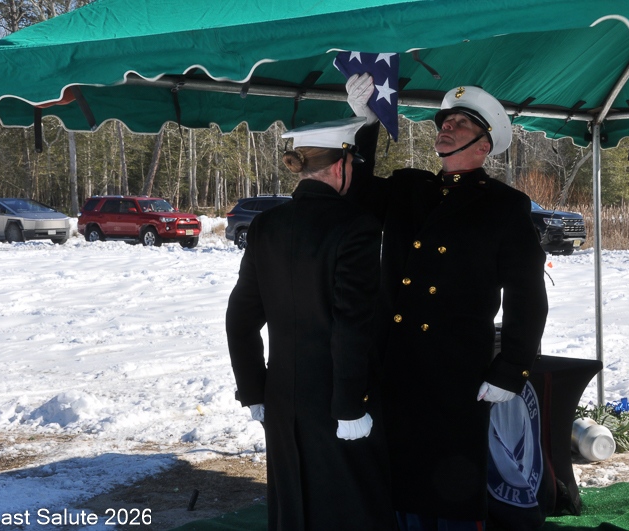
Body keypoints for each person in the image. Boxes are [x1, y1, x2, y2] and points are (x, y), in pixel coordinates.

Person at [345, 74, 549, 530]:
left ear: (484, 144)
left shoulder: (504, 206)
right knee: (394, 478)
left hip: (455, 367)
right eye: (445, 122)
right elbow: (356, 193)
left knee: (449, 483)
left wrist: (511, 368)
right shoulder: (409, 187)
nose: (448, 127)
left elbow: (527, 293)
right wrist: (364, 124)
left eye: (461, 124)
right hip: (395, 360)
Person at [225, 116, 395, 531]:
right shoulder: (356, 226)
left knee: (293, 506)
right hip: (338, 396)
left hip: (282, 395)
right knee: (352, 509)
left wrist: (254, 388)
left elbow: (240, 317)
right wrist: (350, 404)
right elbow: (350, 324)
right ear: (341, 166)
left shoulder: (266, 224)